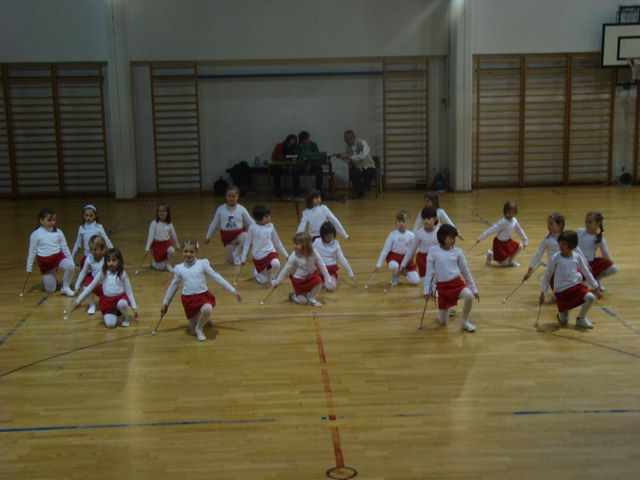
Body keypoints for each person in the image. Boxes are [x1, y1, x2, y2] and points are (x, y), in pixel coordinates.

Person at [162, 239, 241, 341]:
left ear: (197, 253)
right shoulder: (179, 268)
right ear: (182, 252)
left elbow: (217, 277)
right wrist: (165, 303)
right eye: (185, 251)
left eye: (191, 252)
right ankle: (201, 320)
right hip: (188, 300)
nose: (188, 254)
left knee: (207, 309)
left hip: (203, 297)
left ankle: (199, 328)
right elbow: (173, 286)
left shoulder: (202, 264)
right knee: (192, 331)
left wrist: (233, 291)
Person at [423, 224, 479, 332]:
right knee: (443, 323)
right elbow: (429, 272)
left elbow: (465, 272)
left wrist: (474, 289)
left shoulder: (458, 252)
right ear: (442, 237)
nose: (453, 240)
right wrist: (426, 290)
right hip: (443, 288)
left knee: (469, 296)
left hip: (457, 284)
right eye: (451, 238)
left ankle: (464, 322)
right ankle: (448, 309)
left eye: (454, 238)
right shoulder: (433, 250)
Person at [539, 230, 600, 329]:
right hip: (561, 292)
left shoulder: (577, 257)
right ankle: (563, 314)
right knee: (564, 321)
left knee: (590, 297)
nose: (560, 247)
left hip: (574, 288)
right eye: (560, 244)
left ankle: (581, 319)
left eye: (564, 244)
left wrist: (595, 286)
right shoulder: (555, 258)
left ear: (571, 246)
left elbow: (586, 272)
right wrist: (542, 292)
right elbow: (547, 275)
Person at [73, 247, 137, 329]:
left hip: (120, 299)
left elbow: (129, 291)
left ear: (119, 261)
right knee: (110, 325)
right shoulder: (102, 273)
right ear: (105, 262)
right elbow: (91, 287)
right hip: (107, 302)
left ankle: (125, 317)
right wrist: (78, 300)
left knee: (122, 303)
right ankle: (114, 312)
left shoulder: (122, 274)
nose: (111, 263)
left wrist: (134, 307)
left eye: (114, 260)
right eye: (109, 260)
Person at [25, 208, 75, 296]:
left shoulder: (58, 232)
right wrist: (29, 268)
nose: (52, 222)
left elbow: (64, 247)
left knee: (70, 266)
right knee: (51, 290)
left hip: (58, 258)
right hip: (45, 263)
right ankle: (49, 278)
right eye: (49, 220)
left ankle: (65, 287)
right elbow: (32, 252)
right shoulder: (35, 235)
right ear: (41, 220)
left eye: (53, 220)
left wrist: (71, 260)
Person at [273, 232, 331, 307]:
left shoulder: (314, 252)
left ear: (305, 245)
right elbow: (285, 270)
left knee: (319, 280)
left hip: (309, 276)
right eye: (294, 243)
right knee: (303, 302)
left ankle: (312, 299)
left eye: (297, 244)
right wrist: (277, 281)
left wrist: (327, 277)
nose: (294, 246)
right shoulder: (294, 256)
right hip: (298, 280)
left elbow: (321, 264)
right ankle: (293, 295)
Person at [204, 186, 255, 265]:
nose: (231, 198)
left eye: (233, 196)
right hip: (227, 238)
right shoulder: (220, 209)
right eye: (229, 196)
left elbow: (250, 221)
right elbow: (214, 223)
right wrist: (208, 236)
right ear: (226, 196)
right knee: (233, 261)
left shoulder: (241, 209)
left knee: (248, 238)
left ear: (237, 197)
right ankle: (238, 253)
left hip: (239, 234)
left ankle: (238, 252)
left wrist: (260, 229)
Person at [241, 205, 289, 286]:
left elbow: (277, 242)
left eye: (269, 216)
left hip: (270, 252)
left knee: (276, 263)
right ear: (259, 218)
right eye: (266, 217)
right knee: (263, 281)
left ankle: (272, 277)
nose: (269, 218)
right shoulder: (252, 228)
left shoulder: (270, 226)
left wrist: (286, 255)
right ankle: (256, 273)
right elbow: (247, 243)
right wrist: (243, 258)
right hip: (258, 256)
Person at [374, 210, 420, 287]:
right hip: (394, 258)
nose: (401, 224)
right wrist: (378, 264)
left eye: (403, 221)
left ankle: (403, 271)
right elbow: (385, 250)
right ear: (396, 223)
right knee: (393, 266)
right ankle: (394, 276)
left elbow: (416, 249)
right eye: (399, 221)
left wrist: (409, 257)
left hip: (406, 260)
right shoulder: (392, 235)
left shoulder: (411, 236)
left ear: (407, 222)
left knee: (416, 281)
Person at [477, 201, 528, 267]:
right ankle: (491, 254)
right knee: (504, 264)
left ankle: (510, 261)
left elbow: (519, 230)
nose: (511, 215)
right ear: (505, 212)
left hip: (508, 242)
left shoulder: (514, 221)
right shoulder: (502, 222)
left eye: (513, 213)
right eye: (509, 213)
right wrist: (480, 237)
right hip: (499, 243)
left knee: (520, 246)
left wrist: (525, 240)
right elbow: (491, 230)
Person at [577, 211, 618, 292]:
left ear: (597, 223)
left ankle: (595, 280)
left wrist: (606, 260)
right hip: (577, 264)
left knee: (614, 268)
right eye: (586, 222)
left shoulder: (599, 238)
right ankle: (585, 283)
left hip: (590, 264)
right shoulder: (579, 232)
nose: (587, 224)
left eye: (590, 222)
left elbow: (607, 256)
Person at [312, 221, 355, 291]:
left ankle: (323, 280)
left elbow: (342, 259)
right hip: (318, 269)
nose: (329, 237)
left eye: (331, 235)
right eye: (327, 235)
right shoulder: (316, 242)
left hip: (329, 269)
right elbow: (309, 255)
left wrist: (351, 274)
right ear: (322, 235)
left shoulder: (336, 244)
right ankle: (321, 280)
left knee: (331, 287)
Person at [523, 213, 564, 282]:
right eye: (548, 224)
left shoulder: (567, 238)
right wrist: (529, 271)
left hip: (565, 268)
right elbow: (538, 254)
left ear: (560, 225)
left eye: (551, 224)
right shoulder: (546, 240)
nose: (548, 226)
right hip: (552, 269)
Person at [402, 207, 439, 279]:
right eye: (424, 219)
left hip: (435, 259)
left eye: (428, 218)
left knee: (436, 281)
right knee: (425, 282)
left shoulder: (439, 232)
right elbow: (411, 250)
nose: (426, 221)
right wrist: (403, 264)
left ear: (435, 219)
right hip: (422, 260)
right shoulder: (419, 233)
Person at [338, 130, 377, 198]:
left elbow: (363, 155)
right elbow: (349, 161)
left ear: (351, 138)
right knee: (353, 172)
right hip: (357, 167)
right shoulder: (348, 147)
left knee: (369, 173)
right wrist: (343, 158)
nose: (345, 141)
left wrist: (350, 158)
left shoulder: (362, 143)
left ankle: (362, 190)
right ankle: (360, 193)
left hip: (368, 166)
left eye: (346, 139)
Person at [74, 235, 107, 315]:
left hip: (105, 284)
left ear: (102, 249)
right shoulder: (89, 258)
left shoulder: (107, 258)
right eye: (91, 249)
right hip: (94, 282)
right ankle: (92, 305)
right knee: (86, 286)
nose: (92, 252)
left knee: (106, 303)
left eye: (95, 250)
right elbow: (83, 272)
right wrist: (77, 286)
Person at [144, 203, 180, 272]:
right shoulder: (154, 223)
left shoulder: (169, 223)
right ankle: (154, 263)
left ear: (167, 212)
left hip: (167, 244)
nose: (161, 213)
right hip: (157, 246)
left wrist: (177, 245)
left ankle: (168, 264)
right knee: (161, 268)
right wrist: (147, 248)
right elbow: (150, 237)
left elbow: (173, 235)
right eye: (159, 211)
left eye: (163, 211)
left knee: (172, 251)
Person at [291, 130, 323, 197]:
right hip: (302, 165)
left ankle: (318, 192)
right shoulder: (297, 146)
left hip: (312, 164)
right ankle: (296, 193)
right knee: (294, 170)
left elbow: (316, 156)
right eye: (304, 140)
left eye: (307, 139)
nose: (306, 141)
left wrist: (309, 164)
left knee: (319, 170)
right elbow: (297, 156)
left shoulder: (313, 145)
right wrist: (302, 149)